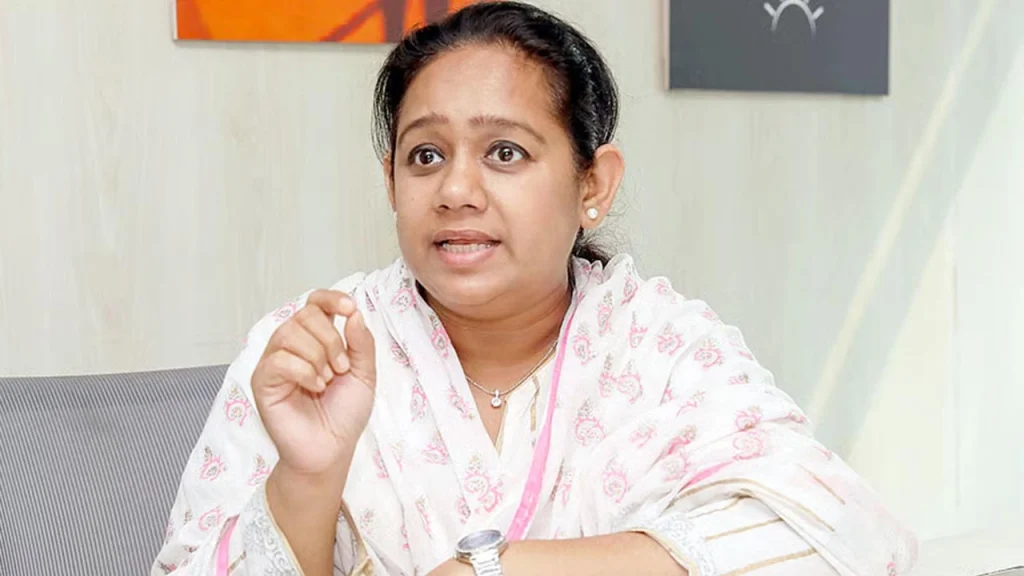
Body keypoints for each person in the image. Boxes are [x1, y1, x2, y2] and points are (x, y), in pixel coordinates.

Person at [154, 2, 917, 575]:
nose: (456, 190)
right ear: (390, 182)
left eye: (505, 153)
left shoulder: (661, 346)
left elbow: (844, 537)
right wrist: (307, 482)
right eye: (425, 156)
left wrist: (503, 568)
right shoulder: (315, 352)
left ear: (593, 184)